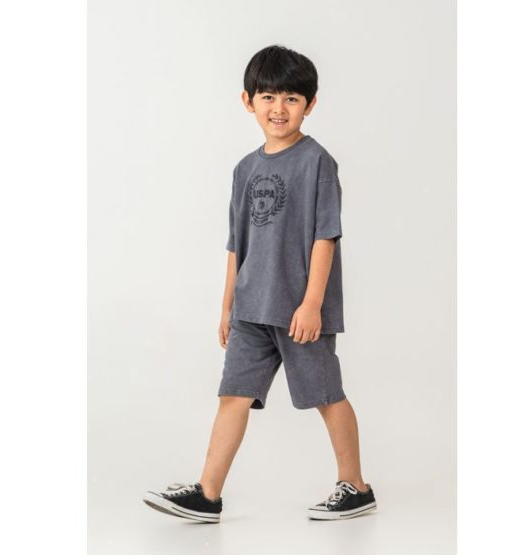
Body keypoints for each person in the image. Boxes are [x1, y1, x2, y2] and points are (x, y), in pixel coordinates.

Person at [143, 44, 377, 523]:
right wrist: (227, 305)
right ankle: (208, 495)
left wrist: (312, 304)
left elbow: (325, 236)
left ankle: (355, 486)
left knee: (326, 395)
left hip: (299, 312)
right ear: (248, 101)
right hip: (251, 309)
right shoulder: (245, 169)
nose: (279, 108)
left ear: (310, 104)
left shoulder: (317, 162)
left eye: (292, 98)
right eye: (268, 96)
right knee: (233, 395)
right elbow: (237, 243)